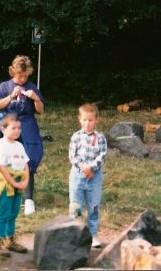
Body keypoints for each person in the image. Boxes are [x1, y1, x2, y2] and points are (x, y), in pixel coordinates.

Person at [0, 55, 45, 207]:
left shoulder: (32, 87)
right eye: (20, 75)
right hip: (8, 126)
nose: (22, 79)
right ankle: (7, 194)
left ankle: (28, 198)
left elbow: (41, 111)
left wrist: (36, 99)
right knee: (7, 159)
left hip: (27, 126)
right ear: (13, 72)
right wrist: (11, 96)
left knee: (28, 159)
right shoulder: (4, 87)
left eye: (25, 76)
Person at [0, 114, 29, 257]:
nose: (17, 131)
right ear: (3, 129)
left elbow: (25, 165)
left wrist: (25, 182)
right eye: (13, 128)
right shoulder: (1, 145)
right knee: (4, 213)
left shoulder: (19, 145)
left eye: (19, 128)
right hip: (7, 185)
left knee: (14, 212)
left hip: (18, 184)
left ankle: (10, 240)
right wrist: (13, 182)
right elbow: (1, 167)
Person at [68, 103, 107, 248]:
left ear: (96, 120)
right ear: (79, 119)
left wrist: (91, 168)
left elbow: (102, 155)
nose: (87, 123)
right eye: (84, 120)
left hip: (94, 178)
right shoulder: (76, 137)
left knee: (94, 206)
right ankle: (76, 233)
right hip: (77, 176)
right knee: (76, 205)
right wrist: (83, 168)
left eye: (90, 120)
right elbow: (72, 155)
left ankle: (93, 234)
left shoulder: (100, 137)